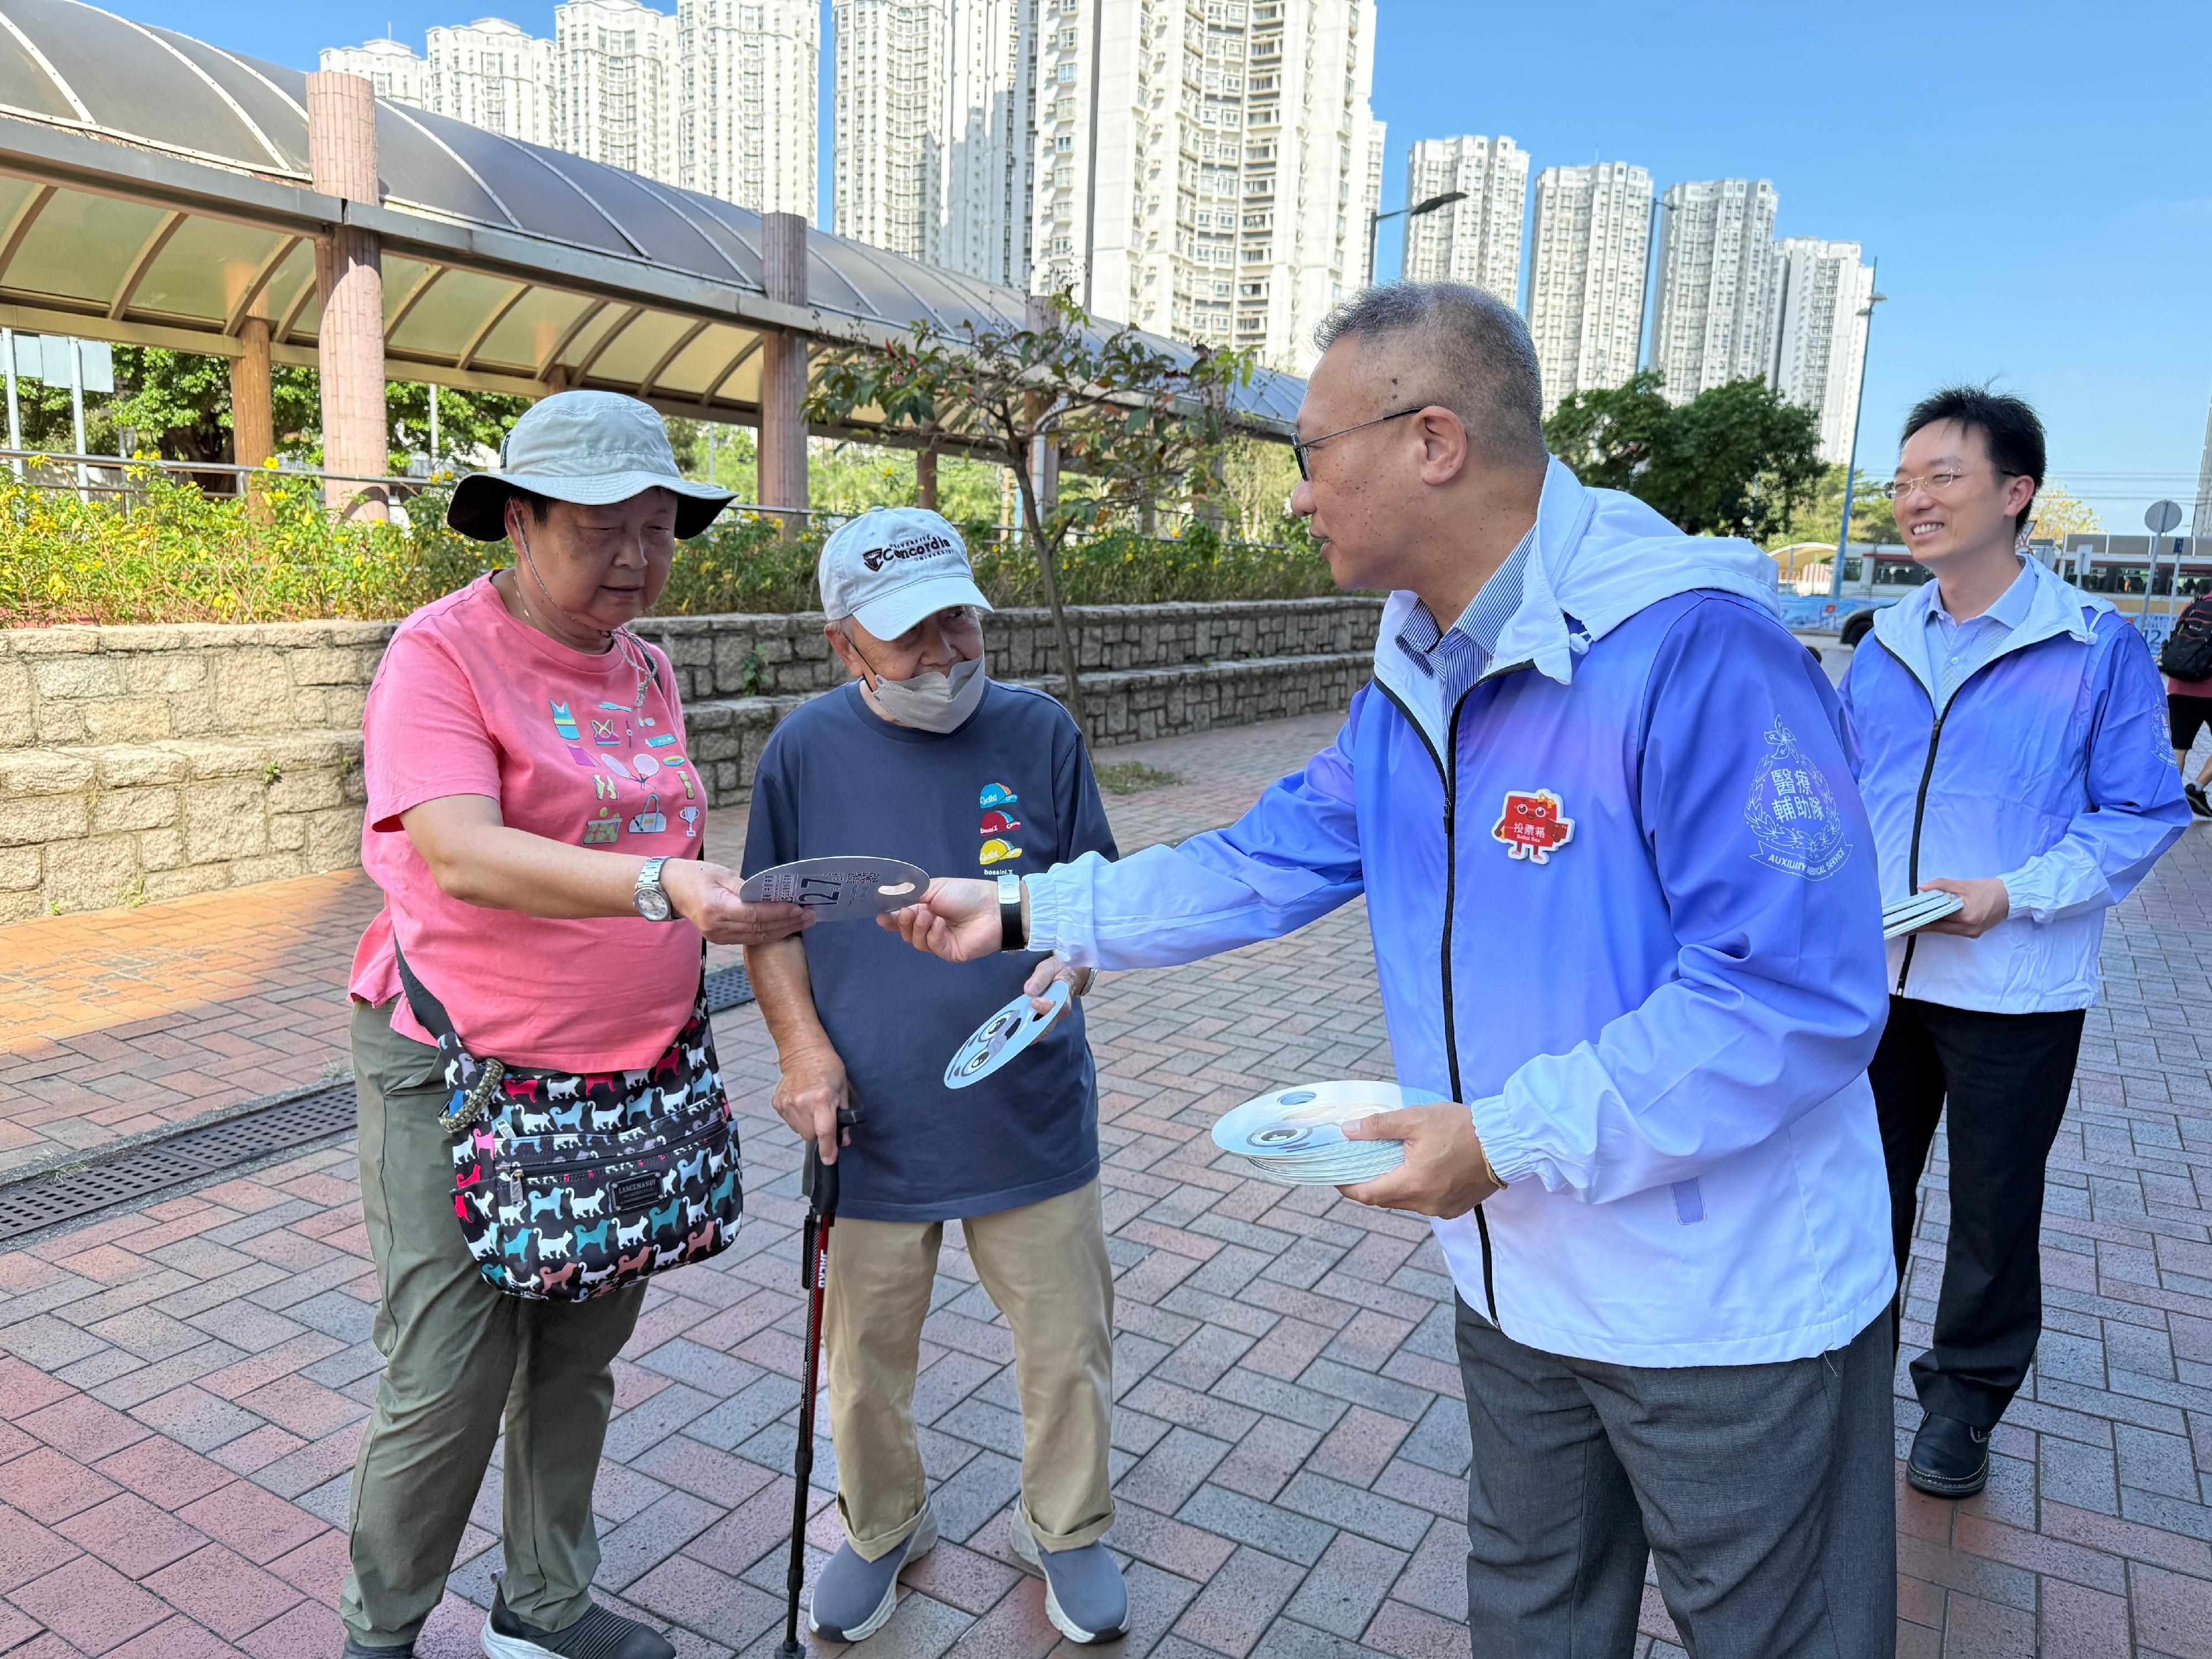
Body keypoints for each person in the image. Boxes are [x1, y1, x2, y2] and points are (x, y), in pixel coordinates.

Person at [885, 284, 1899, 1656]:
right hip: (1514, 1275)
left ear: (1433, 440)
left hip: (1720, 1302)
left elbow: (1793, 995)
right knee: (1534, 1608)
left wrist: (1509, 1134)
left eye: (1309, 451)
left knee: (1772, 1630)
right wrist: (1015, 910)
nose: (1298, 494)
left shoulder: (1690, 649)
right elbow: (1260, 860)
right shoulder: (1420, 665)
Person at [341, 392, 809, 1659]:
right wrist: (660, 888)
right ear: (516, 519)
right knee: (446, 1375)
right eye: (603, 529)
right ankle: (378, 1636)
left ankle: (541, 1607)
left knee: (576, 1354)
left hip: (628, 1077)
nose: (637, 559)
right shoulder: (439, 654)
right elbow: (461, 850)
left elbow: (661, 823)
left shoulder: (644, 663)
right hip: (465, 1072)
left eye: (658, 528)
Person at [742, 508, 1127, 1645]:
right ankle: (881, 1524)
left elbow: (1093, 907)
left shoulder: (1038, 731)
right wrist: (804, 1052)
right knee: (863, 1364)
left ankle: (1063, 1524)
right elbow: (766, 926)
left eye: (959, 620)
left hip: (1029, 1107)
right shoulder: (801, 752)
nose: (947, 653)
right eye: (911, 636)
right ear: (841, 643)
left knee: (1065, 1345)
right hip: (866, 1123)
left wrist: (1070, 970)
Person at [1840, 388, 2189, 1499]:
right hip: (1877, 979)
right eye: (1900, 481)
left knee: (1994, 1210)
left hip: (2012, 986)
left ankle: (1962, 1407)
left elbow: (2140, 815)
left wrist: (2009, 894)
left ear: (2014, 492)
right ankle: (1843, 1396)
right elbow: (1845, 800)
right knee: (1857, 1194)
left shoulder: (2090, 650)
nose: (1912, 500)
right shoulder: (1883, 640)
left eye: (1939, 476)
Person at [2162, 588, 2212, 816]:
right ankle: (2197, 787)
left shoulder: (2194, 606)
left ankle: (2167, 803)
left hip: (2179, 686)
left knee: (2178, 747)